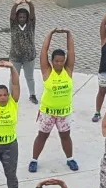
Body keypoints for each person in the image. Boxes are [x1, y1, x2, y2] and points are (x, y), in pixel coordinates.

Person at [29, 28, 77, 173]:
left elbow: (71, 51)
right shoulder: (47, 71)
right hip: (48, 112)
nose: (59, 64)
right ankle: (34, 160)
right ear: (52, 61)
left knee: (65, 136)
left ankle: (70, 159)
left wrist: (69, 34)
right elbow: (44, 50)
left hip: (64, 112)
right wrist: (50, 34)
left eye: (62, 61)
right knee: (42, 136)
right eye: (56, 61)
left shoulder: (68, 70)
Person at [9, 0, 37, 104]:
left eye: (24, 17)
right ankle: (10, 95)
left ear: (27, 18)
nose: (21, 18)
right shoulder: (13, 25)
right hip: (15, 56)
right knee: (13, 77)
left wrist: (30, 3)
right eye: (20, 16)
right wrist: (16, 4)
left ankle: (32, 94)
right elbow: (11, 14)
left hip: (29, 57)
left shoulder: (31, 25)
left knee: (29, 77)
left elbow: (33, 13)